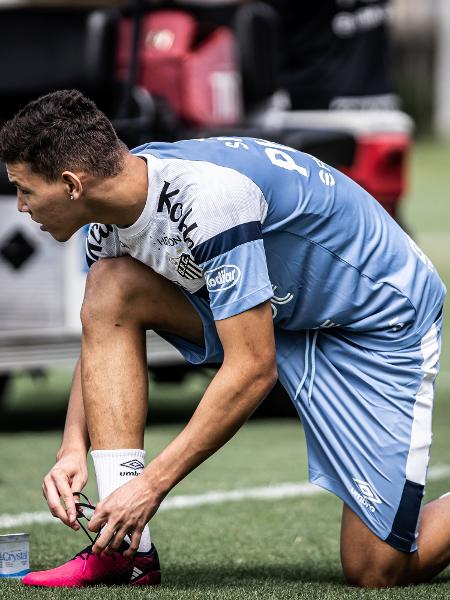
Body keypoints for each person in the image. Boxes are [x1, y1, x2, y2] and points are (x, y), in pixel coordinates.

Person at [0, 89, 447, 589]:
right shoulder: (110, 216)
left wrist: (151, 485)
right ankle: (126, 553)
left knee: (377, 570)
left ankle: (130, 511)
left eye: (25, 189)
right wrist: (70, 448)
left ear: (70, 184)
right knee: (110, 287)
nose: (20, 206)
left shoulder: (210, 200)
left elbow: (254, 369)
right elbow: (99, 326)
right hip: (280, 311)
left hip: (376, 325)